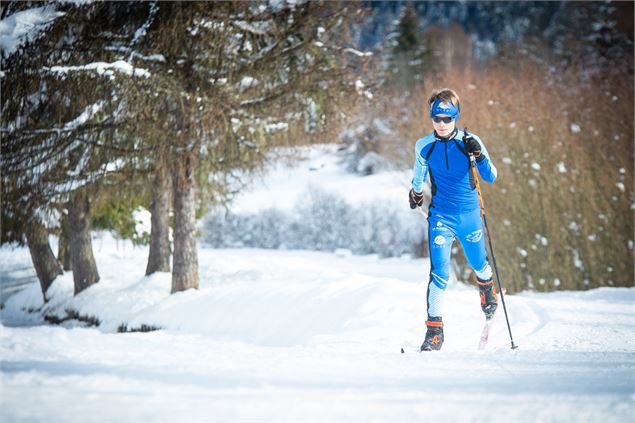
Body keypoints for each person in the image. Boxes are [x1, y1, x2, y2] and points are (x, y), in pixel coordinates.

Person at [409, 88, 498, 351]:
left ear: (456, 117)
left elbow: (491, 176)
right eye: (437, 118)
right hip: (441, 217)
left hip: (470, 216)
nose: (442, 124)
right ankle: (434, 333)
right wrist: (415, 193)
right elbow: (419, 174)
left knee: (478, 263)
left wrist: (479, 156)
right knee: (440, 273)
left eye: (448, 119)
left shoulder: (470, 142)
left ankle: (486, 288)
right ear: (431, 118)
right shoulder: (424, 145)